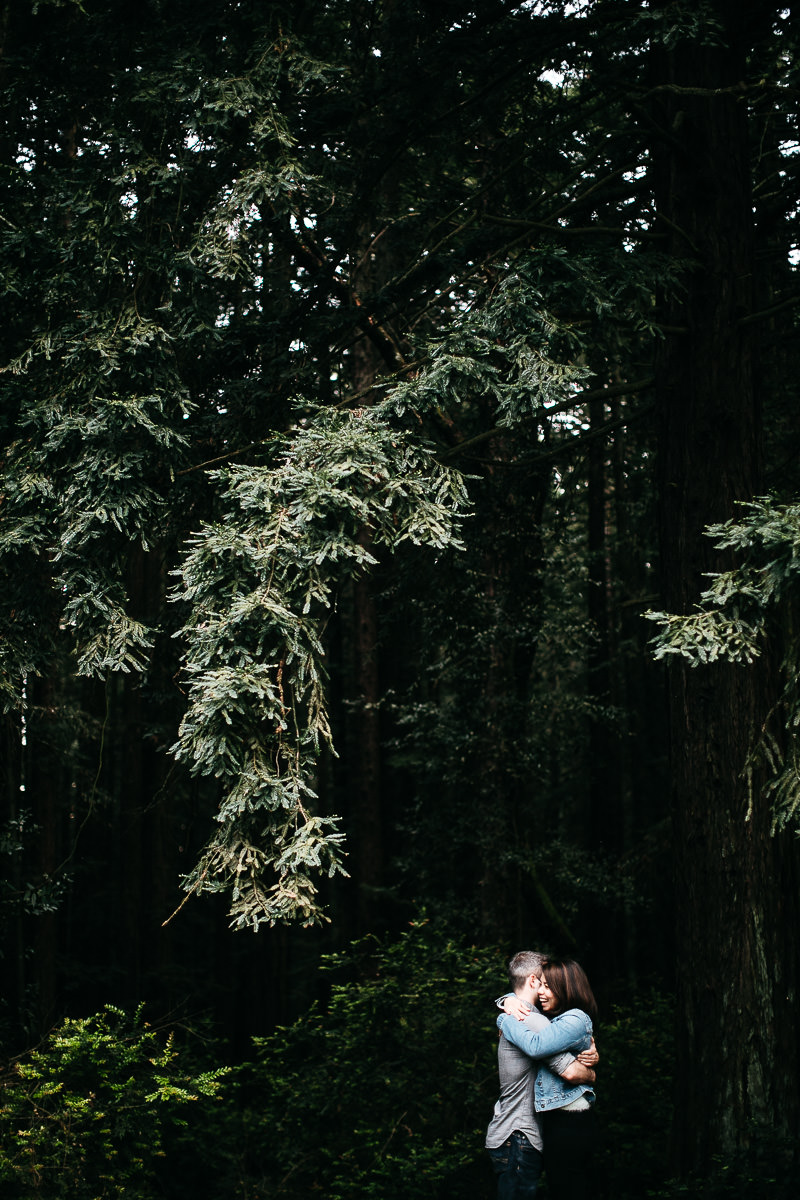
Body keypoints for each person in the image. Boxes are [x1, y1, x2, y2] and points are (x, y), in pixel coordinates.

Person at [486, 951, 597, 1199]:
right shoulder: (531, 1021)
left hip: (512, 1133)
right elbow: (569, 1070)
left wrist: (505, 1002)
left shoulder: (524, 1016)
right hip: (519, 1135)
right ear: (534, 981)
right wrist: (591, 1075)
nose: (547, 989)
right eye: (545, 983)